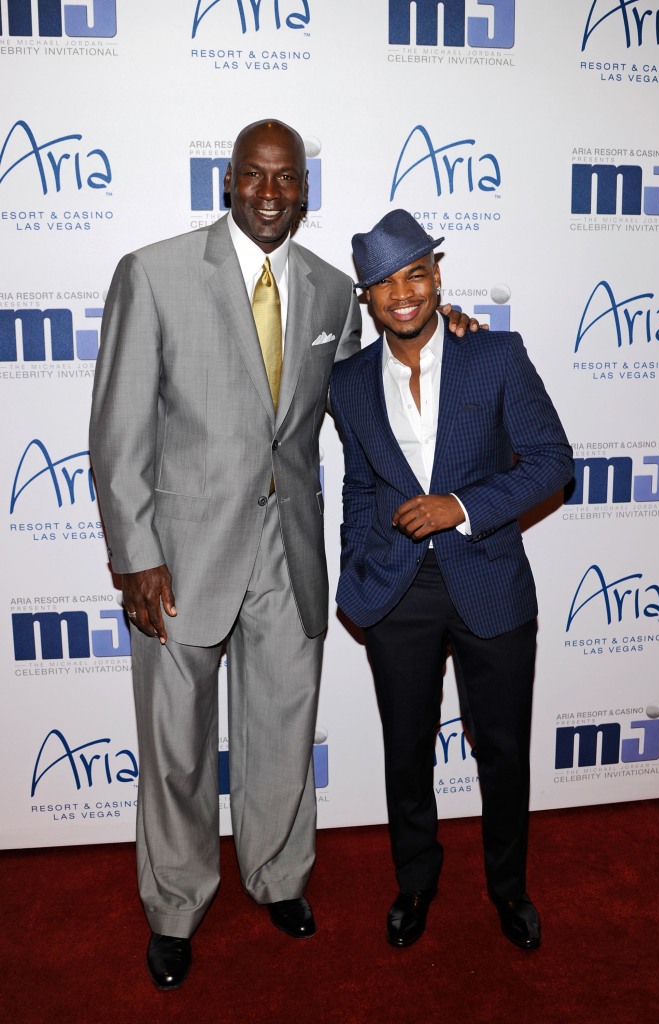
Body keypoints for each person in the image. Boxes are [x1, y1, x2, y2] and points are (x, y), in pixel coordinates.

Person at [89, 120, 481, 989]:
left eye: (287, 179)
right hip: (180, 558)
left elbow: (375, 374)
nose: (270, 193)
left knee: (278, 730)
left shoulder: (333, 289)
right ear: (228, 181)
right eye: (254, 177)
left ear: (304, 190)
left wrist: (439, 333)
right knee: (177, 747)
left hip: (289, 551)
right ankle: (177, 903)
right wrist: (135, 556)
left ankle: (276, 876)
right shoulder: (151, 274)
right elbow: (116, 434)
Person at [329, 209, 573, 952]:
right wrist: (352, 573)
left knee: (500, 749)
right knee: (405, 750)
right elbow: (360, 489)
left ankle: (507, 888)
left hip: (488, 580)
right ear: (366, 298)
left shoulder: (493, 354)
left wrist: (459, 508)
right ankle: (415, 883)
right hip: (396, 591)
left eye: (414, 275)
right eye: (383, 283)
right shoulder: (345, 382)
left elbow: (551, 462)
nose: (401, 293)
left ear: (436, 279)